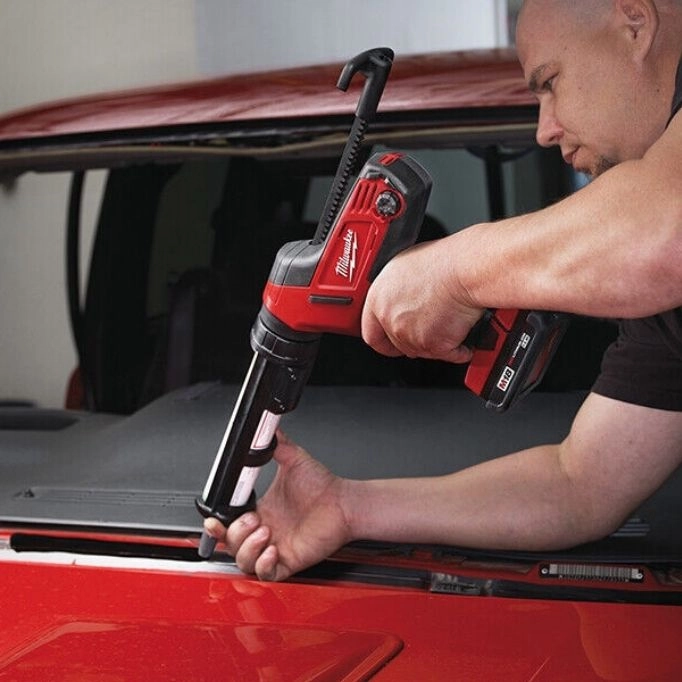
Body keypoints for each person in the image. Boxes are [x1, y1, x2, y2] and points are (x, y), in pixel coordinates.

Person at [204, 0, 682, 581]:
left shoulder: (655, 240)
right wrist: (349, 506)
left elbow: (662, 233)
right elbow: (580, 484)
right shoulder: (660, 300)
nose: (543, 128)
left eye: (550, 83)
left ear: (635, 22)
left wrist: (450, 270)